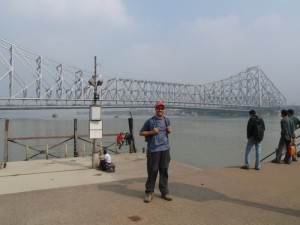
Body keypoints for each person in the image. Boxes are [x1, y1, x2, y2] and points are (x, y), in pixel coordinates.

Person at [139, 101, 172, 203]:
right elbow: (141, 133)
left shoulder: (167, 120)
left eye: (162, 108)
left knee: (164, 171)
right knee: (152, 171)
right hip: (154, 150)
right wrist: (151, 132)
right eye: (158, 108)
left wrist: (169, 130)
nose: (160, 110)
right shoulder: (150, 121)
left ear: (164, 110)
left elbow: (167, 132)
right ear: (155, 109)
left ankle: (164, 192)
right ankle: (149, 192)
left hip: (165, 149)